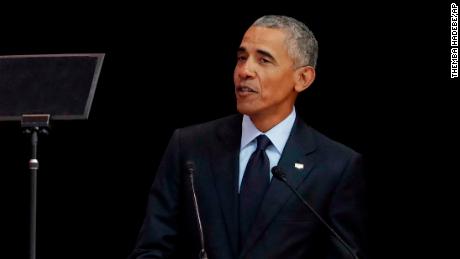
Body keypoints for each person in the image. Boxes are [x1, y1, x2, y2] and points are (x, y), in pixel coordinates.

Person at [128, 15, 367, 259]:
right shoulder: (189, 146)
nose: (244, 71)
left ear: (302, 78)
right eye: (242, 58)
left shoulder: (337, 166)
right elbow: (152, 248)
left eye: (263, 60)